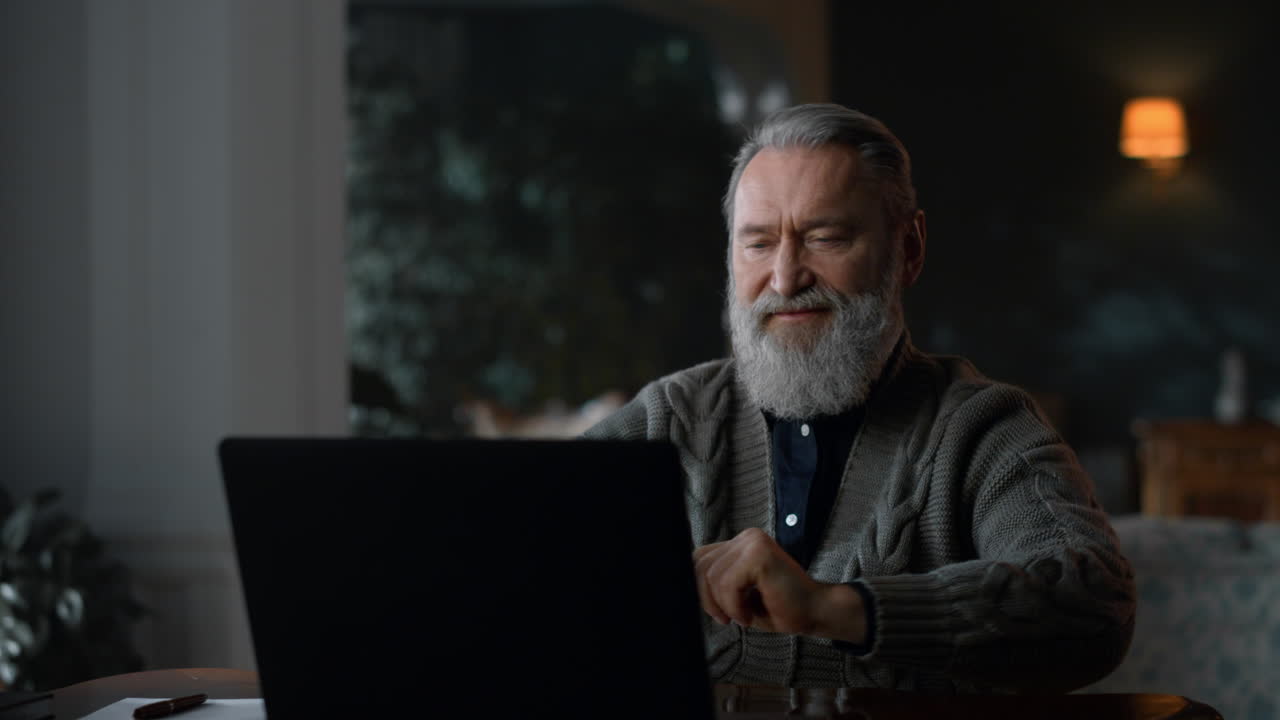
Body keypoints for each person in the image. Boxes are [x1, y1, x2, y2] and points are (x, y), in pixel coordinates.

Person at [584, 103, 1135, 692]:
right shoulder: (672, 416)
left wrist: (835, 609)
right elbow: (517, 544)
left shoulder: (984, 428)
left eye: (825, 237)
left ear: (910, 249)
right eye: (758, 244)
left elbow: (1095, 607)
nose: (786, 277)